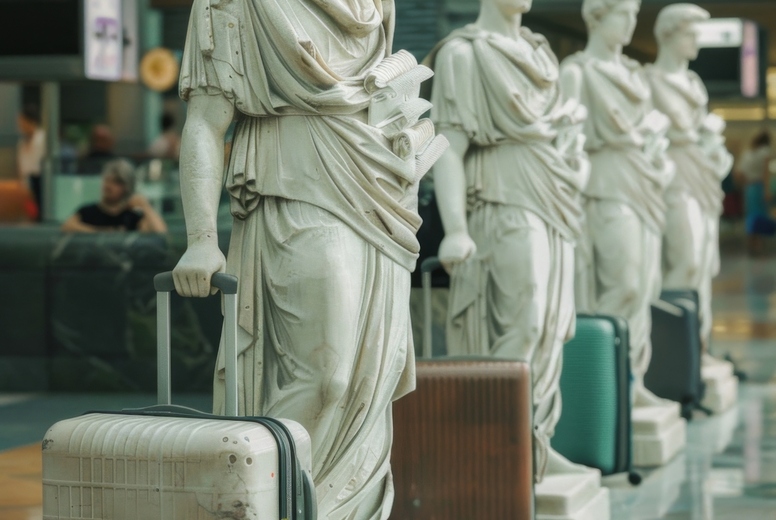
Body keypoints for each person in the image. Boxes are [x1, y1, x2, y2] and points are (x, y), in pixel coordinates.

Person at [169, 0, 442, 517]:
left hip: (380, 186)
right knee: (325, 373)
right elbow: (205, 120)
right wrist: (202, 237)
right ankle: (260, 502)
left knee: (375, 375)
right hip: (293, 177)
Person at [426, 0, 590, 481]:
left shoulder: (541, 52)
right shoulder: (463, 53)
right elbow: (448, 149)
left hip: (552, 190)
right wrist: (455, 228)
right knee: (525, 316)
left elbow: (557, 133)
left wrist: (571, 153)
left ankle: (534, 444)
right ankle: (491, 444)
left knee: (551, 327)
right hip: (500, 189)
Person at [61, 159, 167, 233]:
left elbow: (160, 231)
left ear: (127, 187)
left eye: (116, 182)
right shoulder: (88, 212)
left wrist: (145, 206)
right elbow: (67, 226)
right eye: (107, 180)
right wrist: (99, 233)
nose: (109, 186)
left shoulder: (131, 217)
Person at [737, 130, 775, 254]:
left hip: (749, 187)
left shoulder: (748, 153)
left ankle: (752, 243)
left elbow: (739, 173)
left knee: (751, 216)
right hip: (759, 187)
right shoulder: (765, 152)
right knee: (760, 216)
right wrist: (766, 190)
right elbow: (765, 173)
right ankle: (758, 244)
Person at [16, 104, 45, 218]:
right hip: (27, 186)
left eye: (22, 122)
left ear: (31, 121)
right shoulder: (22, 143)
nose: (19, 125)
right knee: (31, 214)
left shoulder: (43, 139)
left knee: (41, 214)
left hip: (41, 183)